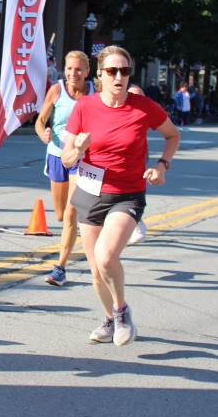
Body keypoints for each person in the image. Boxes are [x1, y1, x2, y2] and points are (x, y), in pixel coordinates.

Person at [61, 45, 180, 346]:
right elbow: (66, 159)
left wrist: (162, 166)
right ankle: (109, 319)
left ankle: (121, 311)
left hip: (127, 194)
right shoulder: (84, 108)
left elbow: (172, 135)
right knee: (96, 270)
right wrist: (79, 148)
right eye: (112, 71)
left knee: (106, 257)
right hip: (90, 193)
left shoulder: (144, 107)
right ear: (100, 74)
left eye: (124, 71)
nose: (119, 77)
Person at [35, 51, 96, 287]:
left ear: (87, 71)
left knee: (71, 213)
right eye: (69, 68)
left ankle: (60, 268)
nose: (73, 73)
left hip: (80, 157)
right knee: (60, 215)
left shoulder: (95, 92)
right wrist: (43, 133)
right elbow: (40, 120)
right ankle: (77, 232)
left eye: (79, 69)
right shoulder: (56, 90)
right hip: (56, 154)